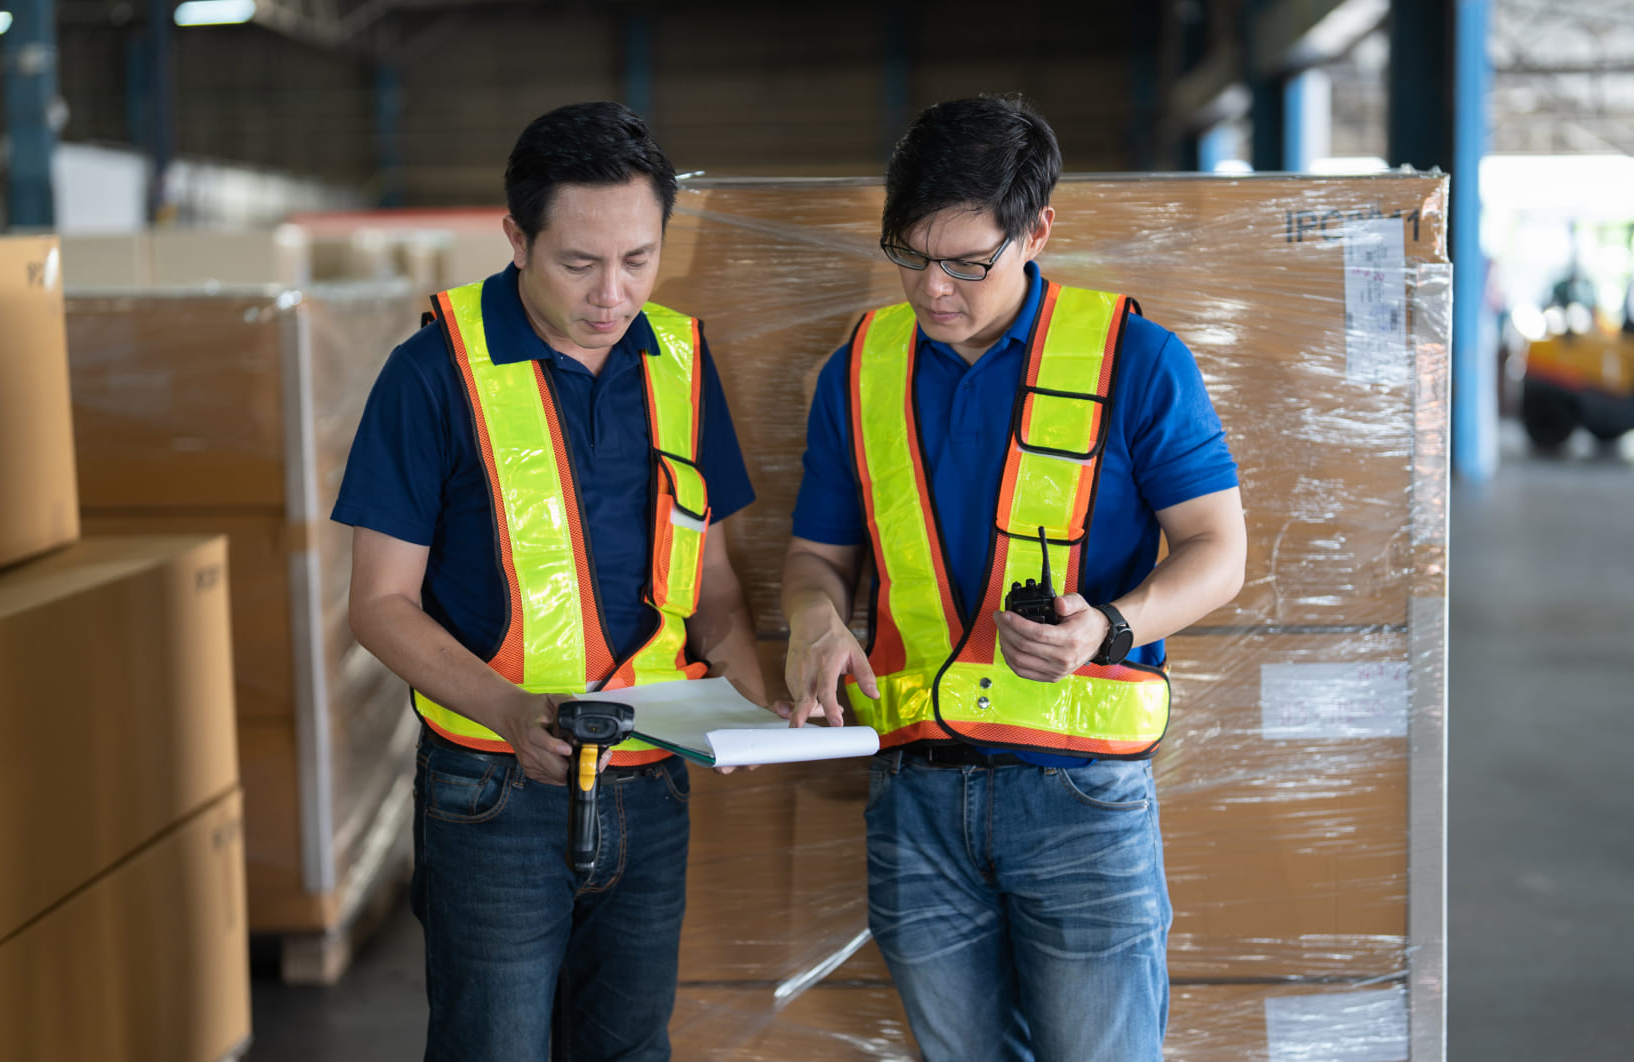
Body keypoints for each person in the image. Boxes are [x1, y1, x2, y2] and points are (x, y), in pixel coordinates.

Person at [778, 94, 1246, 1061]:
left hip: (1077, 795)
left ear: (1036, 231)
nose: (933, 289)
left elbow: (1218, 551)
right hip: (914, 796)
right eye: (910, 256)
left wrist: (1107, 626)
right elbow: (818, 559)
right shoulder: (858, 373)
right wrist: (814, 622)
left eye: (965, 262)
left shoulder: (1136, 361)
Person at [335, 101, 764, 1062]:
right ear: (516, 237)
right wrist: (506, 709)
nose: (613, 294)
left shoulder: (683, 366)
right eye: (579, 263)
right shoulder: (432, 375)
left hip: (651, 786)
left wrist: (748, 694)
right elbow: (378, 602)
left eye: (639, 260)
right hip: (494, 792)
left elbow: (718, 585)